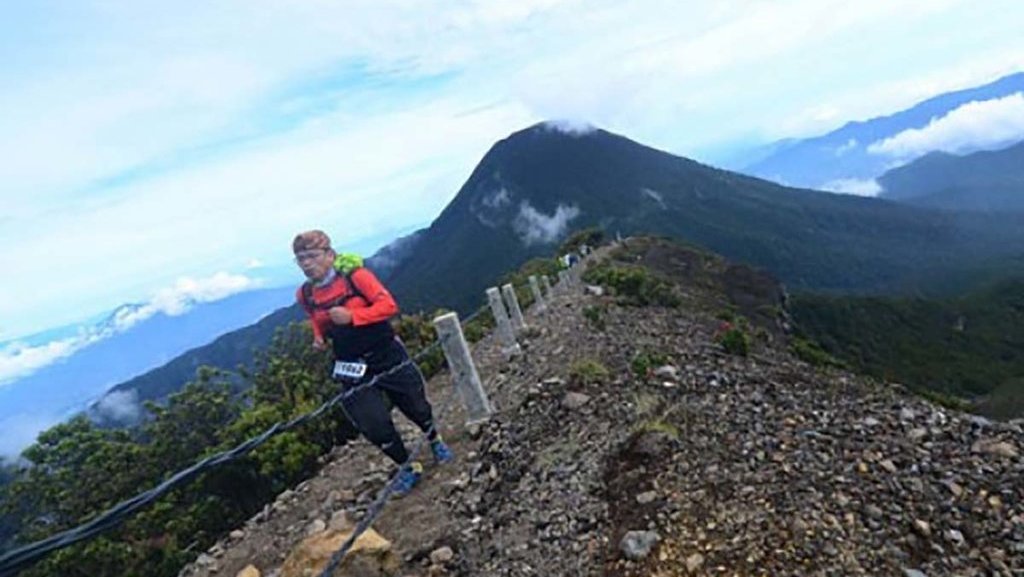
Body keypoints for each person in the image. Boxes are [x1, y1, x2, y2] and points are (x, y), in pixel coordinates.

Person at [293, 230, 453, 496]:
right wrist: (319, 336)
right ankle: (407, 466)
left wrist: (352, 316)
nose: (306, 264)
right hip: (349, 362)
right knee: (371, 421)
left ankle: (434, 438)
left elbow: (389, 306)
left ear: (329, 255)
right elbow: (314, 317)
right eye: (300, 259)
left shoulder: (357, 278)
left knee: (414, 403)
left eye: (311, 256)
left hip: (385, 350)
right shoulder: (306, 294)